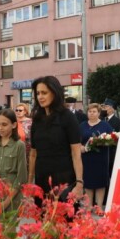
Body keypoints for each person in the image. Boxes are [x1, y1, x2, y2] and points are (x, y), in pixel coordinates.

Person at [28, 76, 83, 206]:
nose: (40, 97)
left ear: (55, 93)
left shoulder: (68, 117)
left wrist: (79, 183)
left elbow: (76, 153)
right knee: (42, 221)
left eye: (44, 93)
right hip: (41, 179)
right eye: (38, 93)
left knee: (64, 222)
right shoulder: (37, 119)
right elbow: (33, 153)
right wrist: (30, 182)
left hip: (63, 179)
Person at [0, 108, 27, 211]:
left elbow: (21, 177)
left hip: (11, 196)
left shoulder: (19, 145)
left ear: (13, 125)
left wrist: (6, 202)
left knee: (8, 227)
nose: (0, 128)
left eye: (4, 125)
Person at [79, 103, 113, 212]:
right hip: (87, 158)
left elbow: (112, 138)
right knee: (88, 182)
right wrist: (81, 147)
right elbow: (76, 141)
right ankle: (89, 206)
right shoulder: (82, 125)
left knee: (100, 183)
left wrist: (105, 142)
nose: (91, 113)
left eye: (94, 111)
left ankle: (99, 206)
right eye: (89, 111)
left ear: (98, 113)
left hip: (101, 158)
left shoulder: (105, 125)